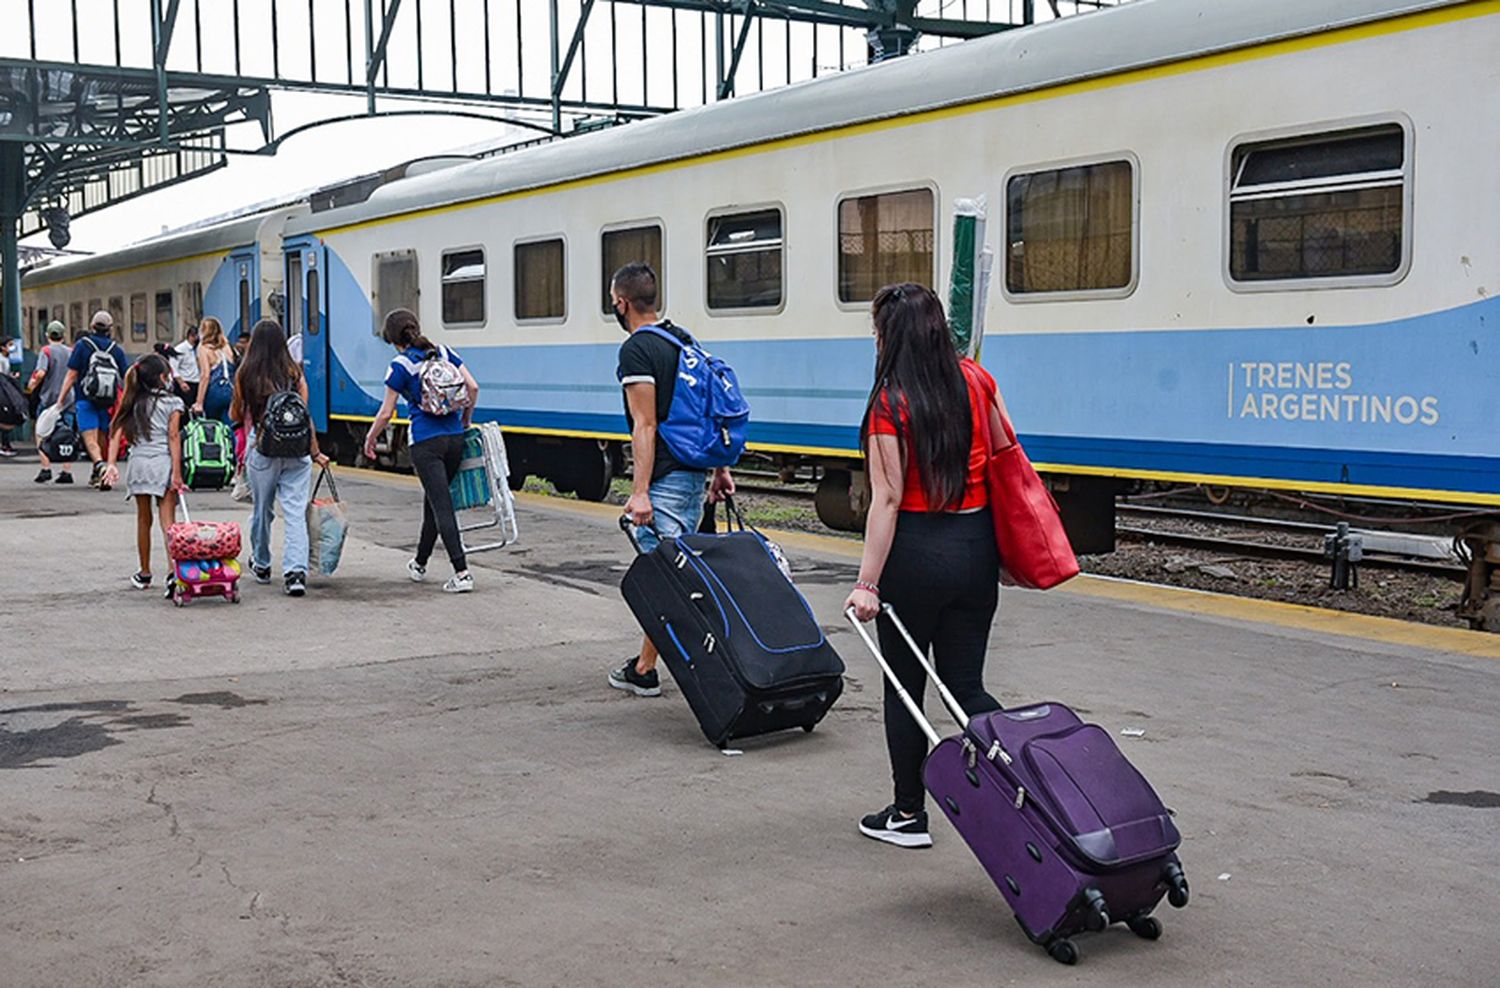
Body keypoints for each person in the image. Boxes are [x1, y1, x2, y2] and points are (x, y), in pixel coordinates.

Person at [843, 283, 1011, 850]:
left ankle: (909, 815)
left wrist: (867, 583)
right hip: (974, 548)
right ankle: (1025, 781)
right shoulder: (976, 379)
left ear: (890, 337)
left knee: (906, 690)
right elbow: (1006, 461)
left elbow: (886, 500)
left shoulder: (890, 402)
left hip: (916, 555)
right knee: (966, 685)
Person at [607, 262, 735, 697]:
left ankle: (706, 663)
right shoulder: (684, 340)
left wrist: (639, 493)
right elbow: (708, 411)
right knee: (671, 576)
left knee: (668, 582)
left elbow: (644, 426)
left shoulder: (637, 350)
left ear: (621, 302)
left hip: (665, 481)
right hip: (694, 476)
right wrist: (719, 469)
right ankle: (644, 666)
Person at [363, 308, 479, 594]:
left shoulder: (399, 366)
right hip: (454, 438)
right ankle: (419, 563)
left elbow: (386, 412)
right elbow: (473, 387)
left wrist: (370, 438)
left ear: (392, 339)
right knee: (434, 502)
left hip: (426, 442)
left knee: (441, 505)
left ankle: (462, 572)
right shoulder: (443, 351)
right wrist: (465, 420)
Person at [230, 319, 329, 597]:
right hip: (297, 450)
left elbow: (235, 415)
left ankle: (261, 564)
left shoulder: (246, 373)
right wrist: (316, 451)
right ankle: (295, 573)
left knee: (262, 510)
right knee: (295, 512)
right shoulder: (293, 373)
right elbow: (303, 413)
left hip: (262, 447)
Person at [101, 354, 184, 593]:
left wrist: (111, 463)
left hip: (138, 465)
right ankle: (173, 572)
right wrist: (177, 474)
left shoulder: (132, 401)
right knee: (168, 522)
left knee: (143, 519)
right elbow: (173, 437)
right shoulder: (173, 403)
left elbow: (115, 431)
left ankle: (145, 572)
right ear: (162, 378)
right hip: (162, 463)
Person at [50, 310, 129, 489]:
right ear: (110, 329)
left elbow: (71, 375)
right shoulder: (116, 349)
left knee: (89, 437)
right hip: (107, 401)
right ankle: (98, 471)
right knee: (102, 436)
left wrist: (61, 400)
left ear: (92, 327)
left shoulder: (82, 345)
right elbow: (127, 376)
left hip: (85, 399)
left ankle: (100, 467)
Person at [29, 321, 74, 484]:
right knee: (66, 434)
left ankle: (46, 468)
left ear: (47, 335)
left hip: (49, 398)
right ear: (63, 336)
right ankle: (66, 471)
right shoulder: (71, 351)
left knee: (42, 432)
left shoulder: (46, 351)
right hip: (68, 399)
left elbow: (41, 373)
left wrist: (32, 384)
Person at [193, 316, 236, 425]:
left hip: (214, 392)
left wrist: (199, 402)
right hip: (231, 391)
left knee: (212, 425)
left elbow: (205, 376)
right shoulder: (227, 347)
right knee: (229, 426)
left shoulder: (203, 348)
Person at [169, 322, 200, 406]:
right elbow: (173, 367)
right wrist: (181, 382)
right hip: (186, 382)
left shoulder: (198, 349)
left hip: (197, 382)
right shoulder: (180, 349)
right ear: (191, 336)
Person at [0, 338, 18, 457]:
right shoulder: (1, 359)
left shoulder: (6, 358)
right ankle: (4, 445)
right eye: (9, 344)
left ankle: (5, 444)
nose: (12, 347)